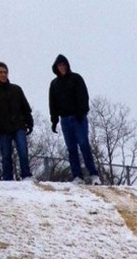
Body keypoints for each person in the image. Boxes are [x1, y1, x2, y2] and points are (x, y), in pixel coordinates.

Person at [48, 54, 100, 185]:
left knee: (84, 145)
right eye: (60, 65)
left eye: (64, 64)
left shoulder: (76, 78)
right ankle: (77, 176)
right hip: (64, 119)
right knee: (71, 148)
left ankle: (94, 174)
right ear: (56, 67)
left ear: (67, 65)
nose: (62, 67)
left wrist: (81, 112)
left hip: (79, 118)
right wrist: (54, 120)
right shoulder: (54, 84)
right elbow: (52, 103)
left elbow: (84, 96)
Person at [0, 62, 34, 181]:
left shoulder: (16, 89)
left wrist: (29, 122)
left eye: (5, 72)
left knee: (23, 150)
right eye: (1, 72)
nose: (3, 74)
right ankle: (7, 179)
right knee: (6, 155)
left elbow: (25, 107)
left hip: (19, 126)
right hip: (2, 128)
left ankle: (26, 176)